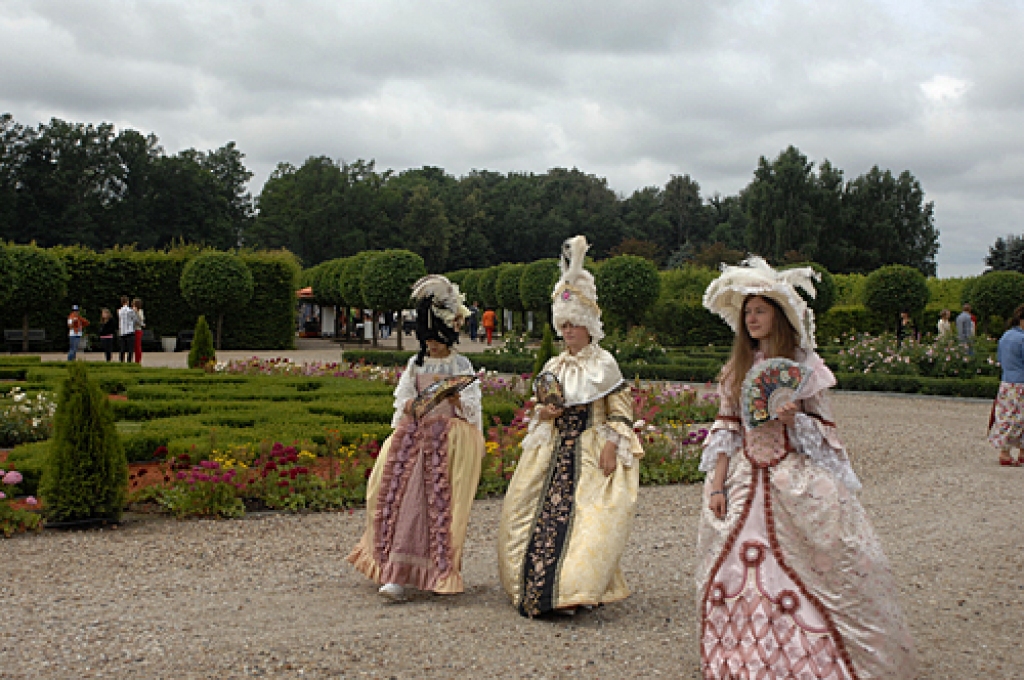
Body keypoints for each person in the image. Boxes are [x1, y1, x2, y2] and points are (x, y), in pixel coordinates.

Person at [696, 257, 917, 678]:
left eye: (760, 310)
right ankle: (743, 654)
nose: (752, 318)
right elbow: (726, 429)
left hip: (791, 476)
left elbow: (826, 433)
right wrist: (717, 487)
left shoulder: (806, 369)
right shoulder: (737, 369)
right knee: (730, 562)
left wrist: (793, 419)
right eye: (747, 312)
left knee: (825, 562)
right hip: (745, 476)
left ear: (779, 317)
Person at [497, 236, 643, 618]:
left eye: (575, 326)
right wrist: (543, 415)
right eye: (564, 327)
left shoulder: (605, 364)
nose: (568, 333)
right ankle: (534, 589)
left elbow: (620, 408)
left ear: (589, 326)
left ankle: (575, 589)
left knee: (590, 521)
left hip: (592, 446)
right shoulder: (555, 366)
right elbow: (542, 407)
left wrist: (613, 445)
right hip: (556, 448)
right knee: (526, 510)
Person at [347, 274, 484, 602]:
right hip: (414, 440)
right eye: (427, 339)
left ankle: (434, 572)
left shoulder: (460, 364)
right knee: (401, 502)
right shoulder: (416, 363)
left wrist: (454, 400)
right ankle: (395, 570)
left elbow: (473, 409)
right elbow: (402, 400)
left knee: (439, 509)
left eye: (436, 338)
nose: (431, 345)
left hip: (444, 445)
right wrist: (415, 405)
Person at [988, 305, 1024, 466]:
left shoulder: (1006, 336)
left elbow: (1000, 358)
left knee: (1006, 416)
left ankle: (1009, 451)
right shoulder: (1022, 338)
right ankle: (1010, 452)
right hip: (1021, 383)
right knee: (1017, 419)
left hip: (1006, 383)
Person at [118, 296, 136, 363]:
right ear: (127, 302)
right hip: (129, 331)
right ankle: (129, 361)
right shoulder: (130, 310)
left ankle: (121, 361)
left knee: (122, 348)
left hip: (122, 331)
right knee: (130, 349)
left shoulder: (120, 311)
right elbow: (134, 319)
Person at [132, 298, 145, 364]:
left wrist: (136, 312)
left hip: (137, 330)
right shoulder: (131, 311)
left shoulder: (140, 311)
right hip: (132, 330)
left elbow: (141, 320)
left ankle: (138, 360)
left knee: (138, 346)